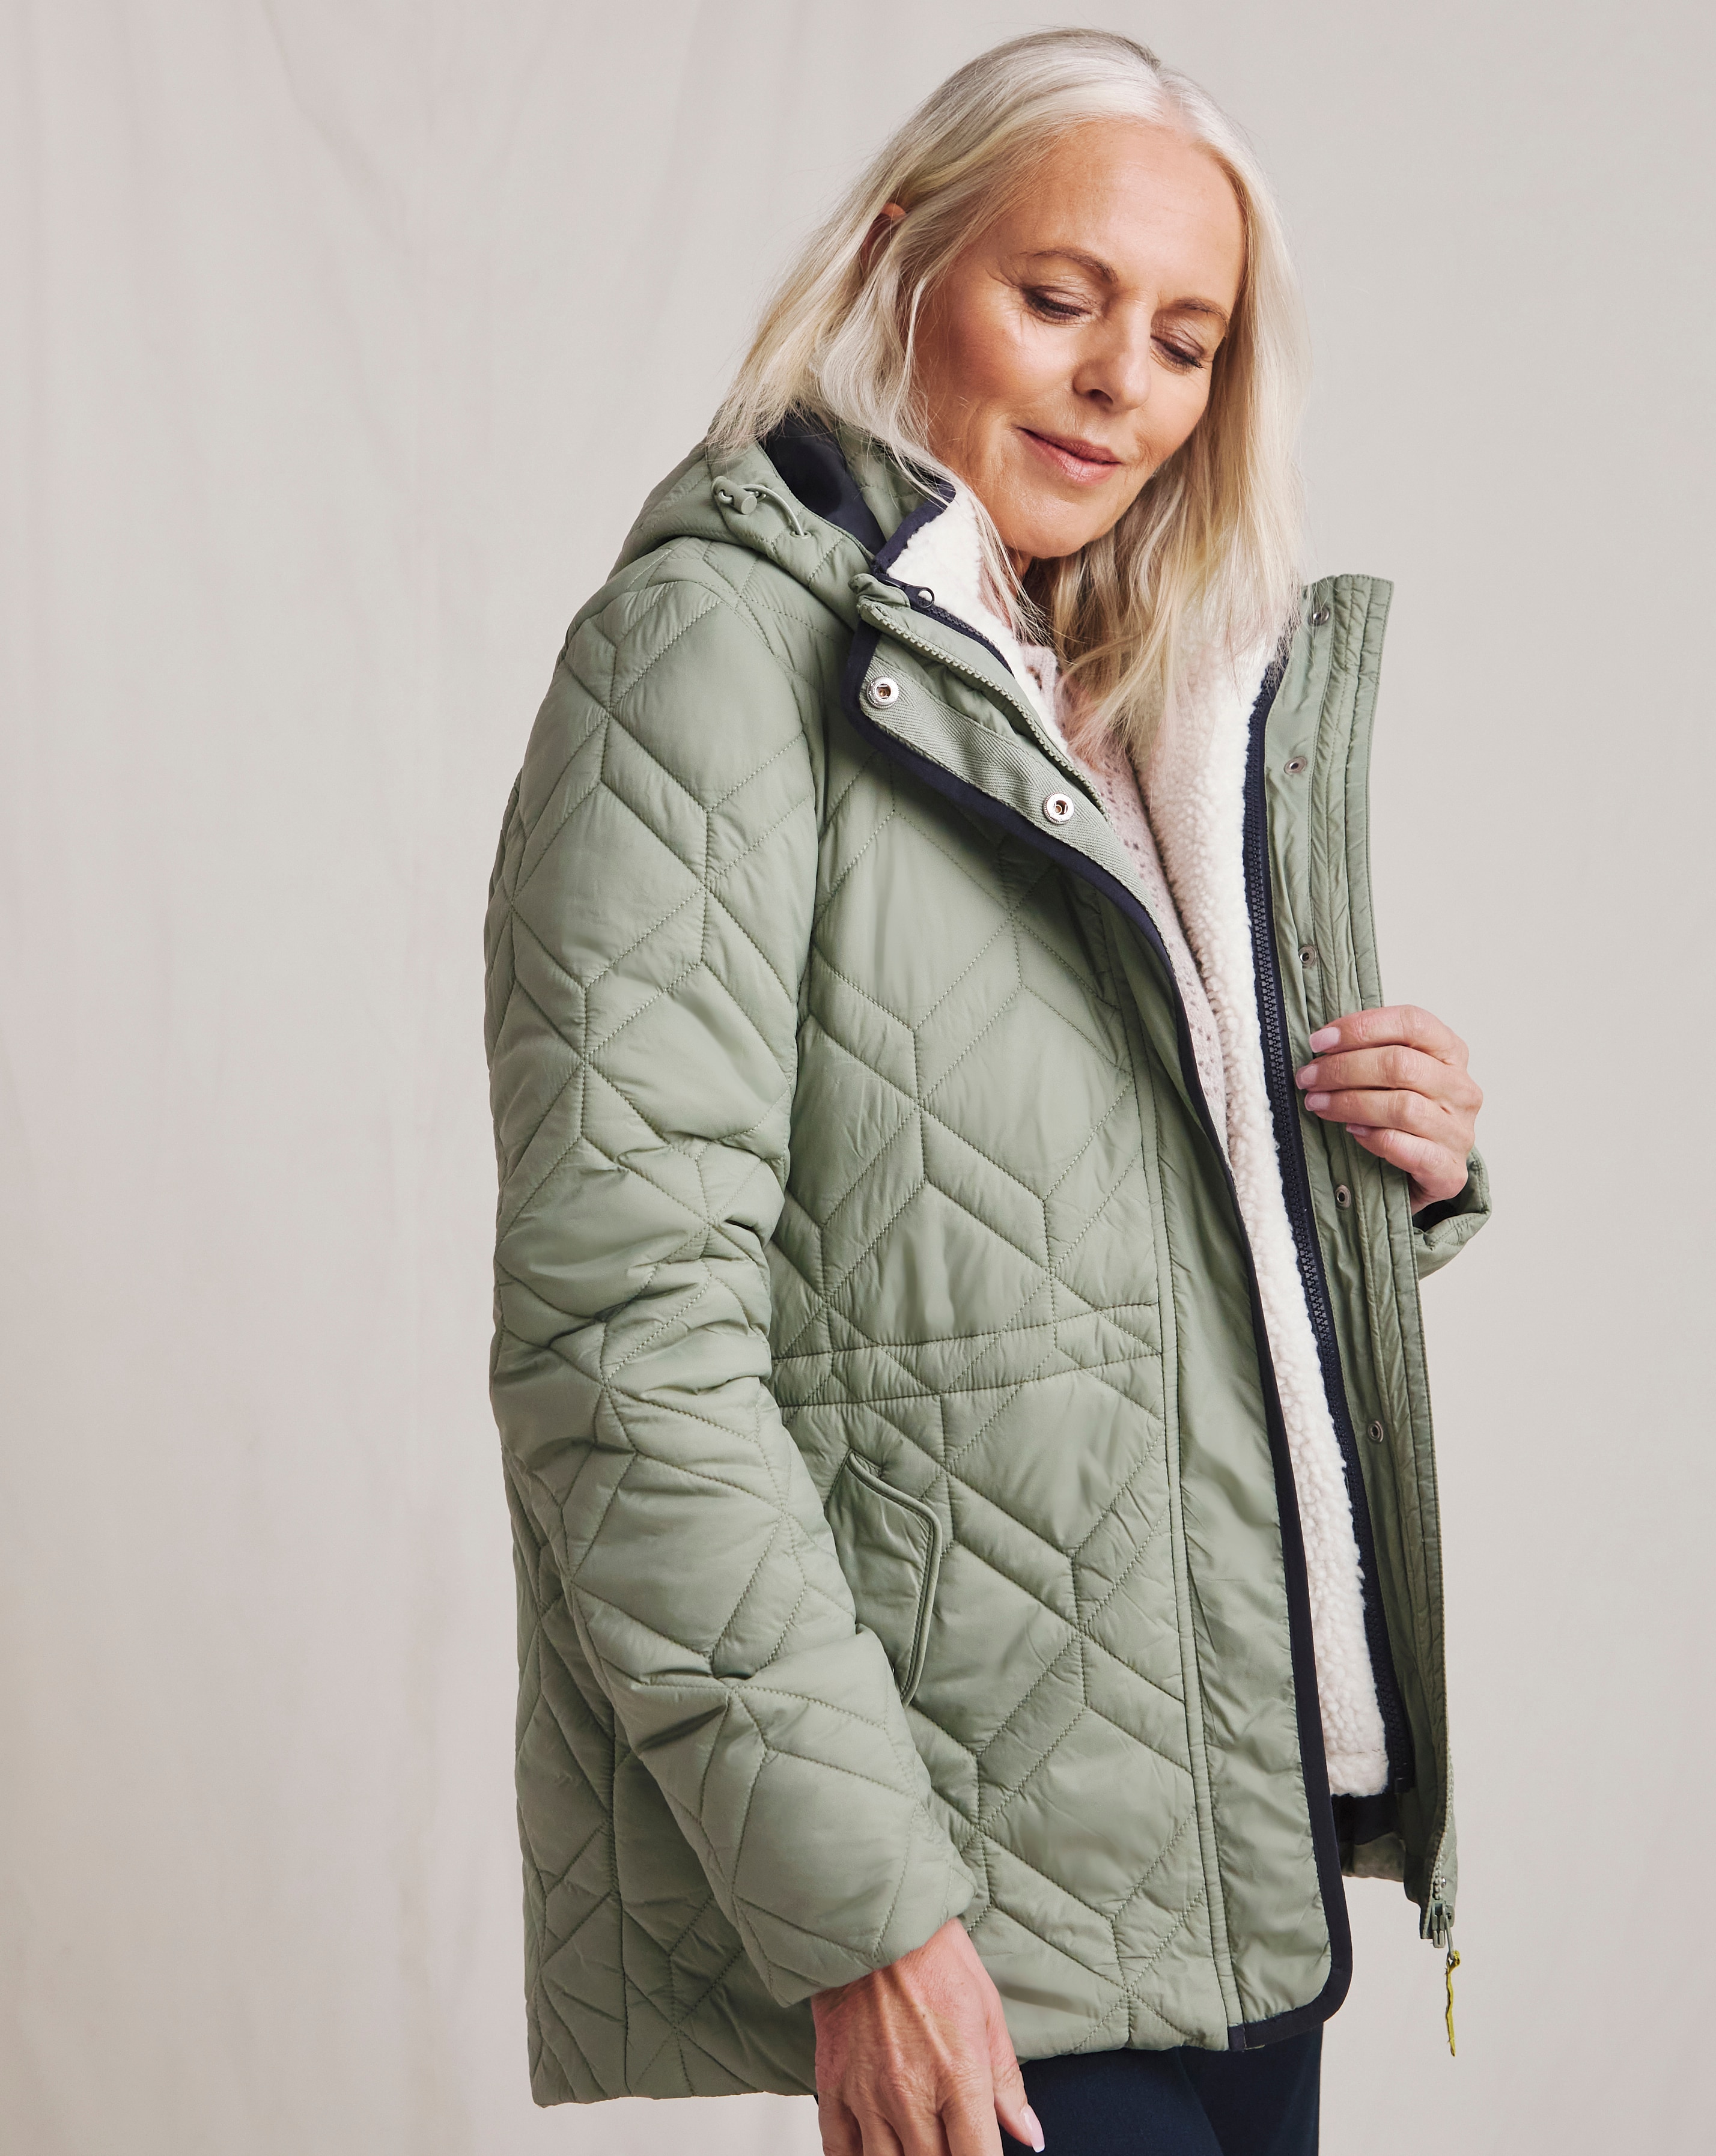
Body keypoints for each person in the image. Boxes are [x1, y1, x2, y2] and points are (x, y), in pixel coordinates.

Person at [483, 29, 1488, 2156]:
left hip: (1228, 1858)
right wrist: (864, 1913)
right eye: (1060, 298)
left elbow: (1058, 1261)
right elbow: (621, 1341)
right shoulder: (713, 651)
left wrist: (1379, 1163)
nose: (1123, 383)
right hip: (975, 1891)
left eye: (1187, 341)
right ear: (901, 258)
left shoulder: (1126, 708)